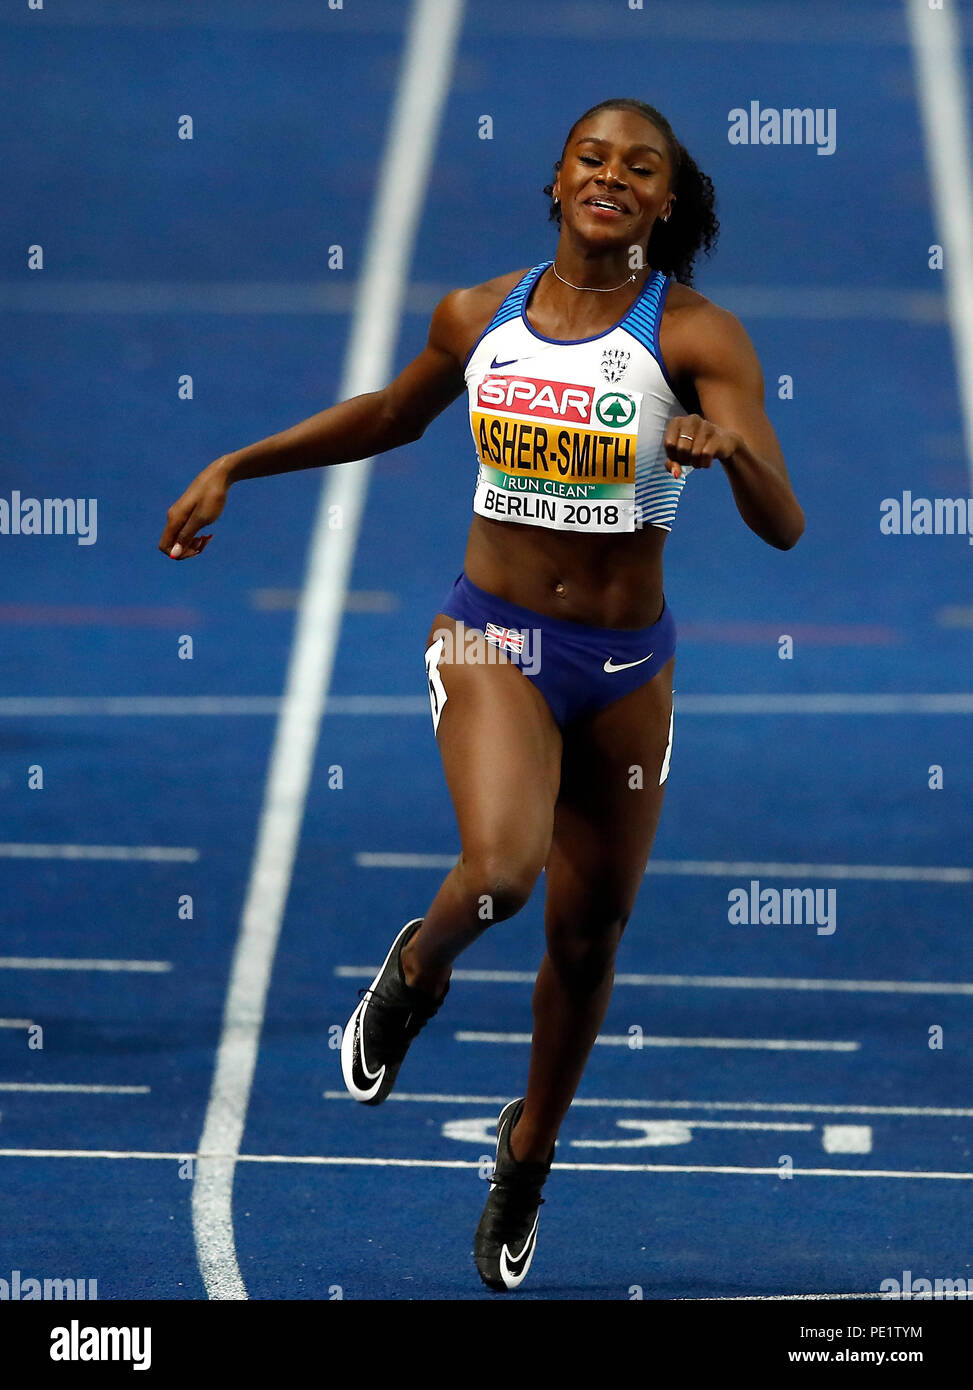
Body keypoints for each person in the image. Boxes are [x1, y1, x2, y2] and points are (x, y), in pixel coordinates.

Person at [159, 97, 804, 1294]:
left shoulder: (698, 337)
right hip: (490, 637)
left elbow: (785, 525)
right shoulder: (479, 314)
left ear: (666, 202)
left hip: (624, 669)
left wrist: (734, 450)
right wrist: (234, 464)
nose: (611, 176)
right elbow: (391, 417)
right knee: (504, 871)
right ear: (555, 182)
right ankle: (418, 969)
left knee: (588, 936)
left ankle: (526, 1155)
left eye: (639, 168)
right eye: (591, 158)